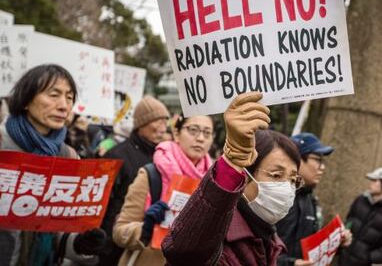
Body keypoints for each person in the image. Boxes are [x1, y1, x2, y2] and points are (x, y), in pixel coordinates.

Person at [0, 64, 106, 266]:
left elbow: (59, 230)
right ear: (26, 100)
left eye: (69, 97)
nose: (63, 106)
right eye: (54, 94)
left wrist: (80, 244)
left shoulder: (69, 157)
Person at [162, 92, 303, 266]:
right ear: (245, 175)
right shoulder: (216, 238)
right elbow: (184, 252)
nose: (286, 188)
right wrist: (233, 160)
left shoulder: (270, 241)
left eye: (292, 180)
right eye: (276, 175)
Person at [112, 114, 214, 265]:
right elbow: (119, 233)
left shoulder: (213, 182)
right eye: (193, 130)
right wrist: (145, 228)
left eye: (207, 133)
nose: (200, 138)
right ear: (177, 134)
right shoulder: (152, 174)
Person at [99, 95, 170, 265]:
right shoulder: (117, 155)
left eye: (165, 122)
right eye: (157, 121)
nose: (163, 127)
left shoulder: (163, 157)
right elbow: (102, 202)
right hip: (112, 242)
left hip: (143, 245)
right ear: (141, 124)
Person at [276, 132, 351, 266]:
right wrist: (290, 264)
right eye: (317, 159)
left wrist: (335, 243)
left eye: (323, 161)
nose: (322, 167)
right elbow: (255, 249)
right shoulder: (274, 196)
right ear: (297, 159)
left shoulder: (310, 199)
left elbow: (308, 247)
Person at [339, 167, 382, 266]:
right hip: (343, 260)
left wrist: (368, 258)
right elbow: (348, 221)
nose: (371, 183)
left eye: (375, 180)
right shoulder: (360, 200)